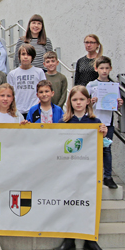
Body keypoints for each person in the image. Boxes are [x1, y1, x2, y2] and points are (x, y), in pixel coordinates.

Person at [54, 85, 107, 250]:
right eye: (75, 99)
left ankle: (89, 240)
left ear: (88, 101)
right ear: (70, 102)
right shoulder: (63, 122)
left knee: (89, 204)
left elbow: (102, 147)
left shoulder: (95, 122)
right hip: (68, 171)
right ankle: (68, 240)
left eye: (81, 99)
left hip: (88, 172)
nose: (78, 103)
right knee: (69, 203)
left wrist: (103, 134)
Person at [86, 56, 123, 189]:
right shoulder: (91, 85)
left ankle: (107, 176)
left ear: (110, 69)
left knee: (106, 149)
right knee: (91, 149)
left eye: (107, 68)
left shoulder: (114, 86)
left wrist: (119, 104)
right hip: (93, 121)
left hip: (108, 122)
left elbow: (115, 105)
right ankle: (90, 176)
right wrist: (91, 101)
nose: (104, 71)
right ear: (96, 69)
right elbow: (83, 103)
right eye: (102, 68)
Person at [7, 44, 46, 119]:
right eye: (23, 54)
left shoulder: (39, 72)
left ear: (32, 57)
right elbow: (9, 93)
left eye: (28, 54)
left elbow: (43, 89)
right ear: (19, 56)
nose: (25, 57)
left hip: (34, 109)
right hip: (17, 110)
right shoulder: (12, 74)